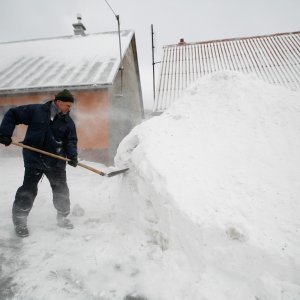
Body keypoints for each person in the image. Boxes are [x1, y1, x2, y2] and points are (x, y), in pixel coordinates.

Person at [0, 89, 78, 238]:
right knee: (28, 189)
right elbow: (13, 114)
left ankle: (62, 216)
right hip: (34, 158)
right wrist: (5, 133)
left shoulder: (68, 122)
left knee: (61, 189)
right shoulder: (37, 111)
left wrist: (73, 156)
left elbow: (71, 141)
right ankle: (20, 221)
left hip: (56, 160)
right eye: (67, 105)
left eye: (71, 106)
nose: (70, 108)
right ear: (59, 102)